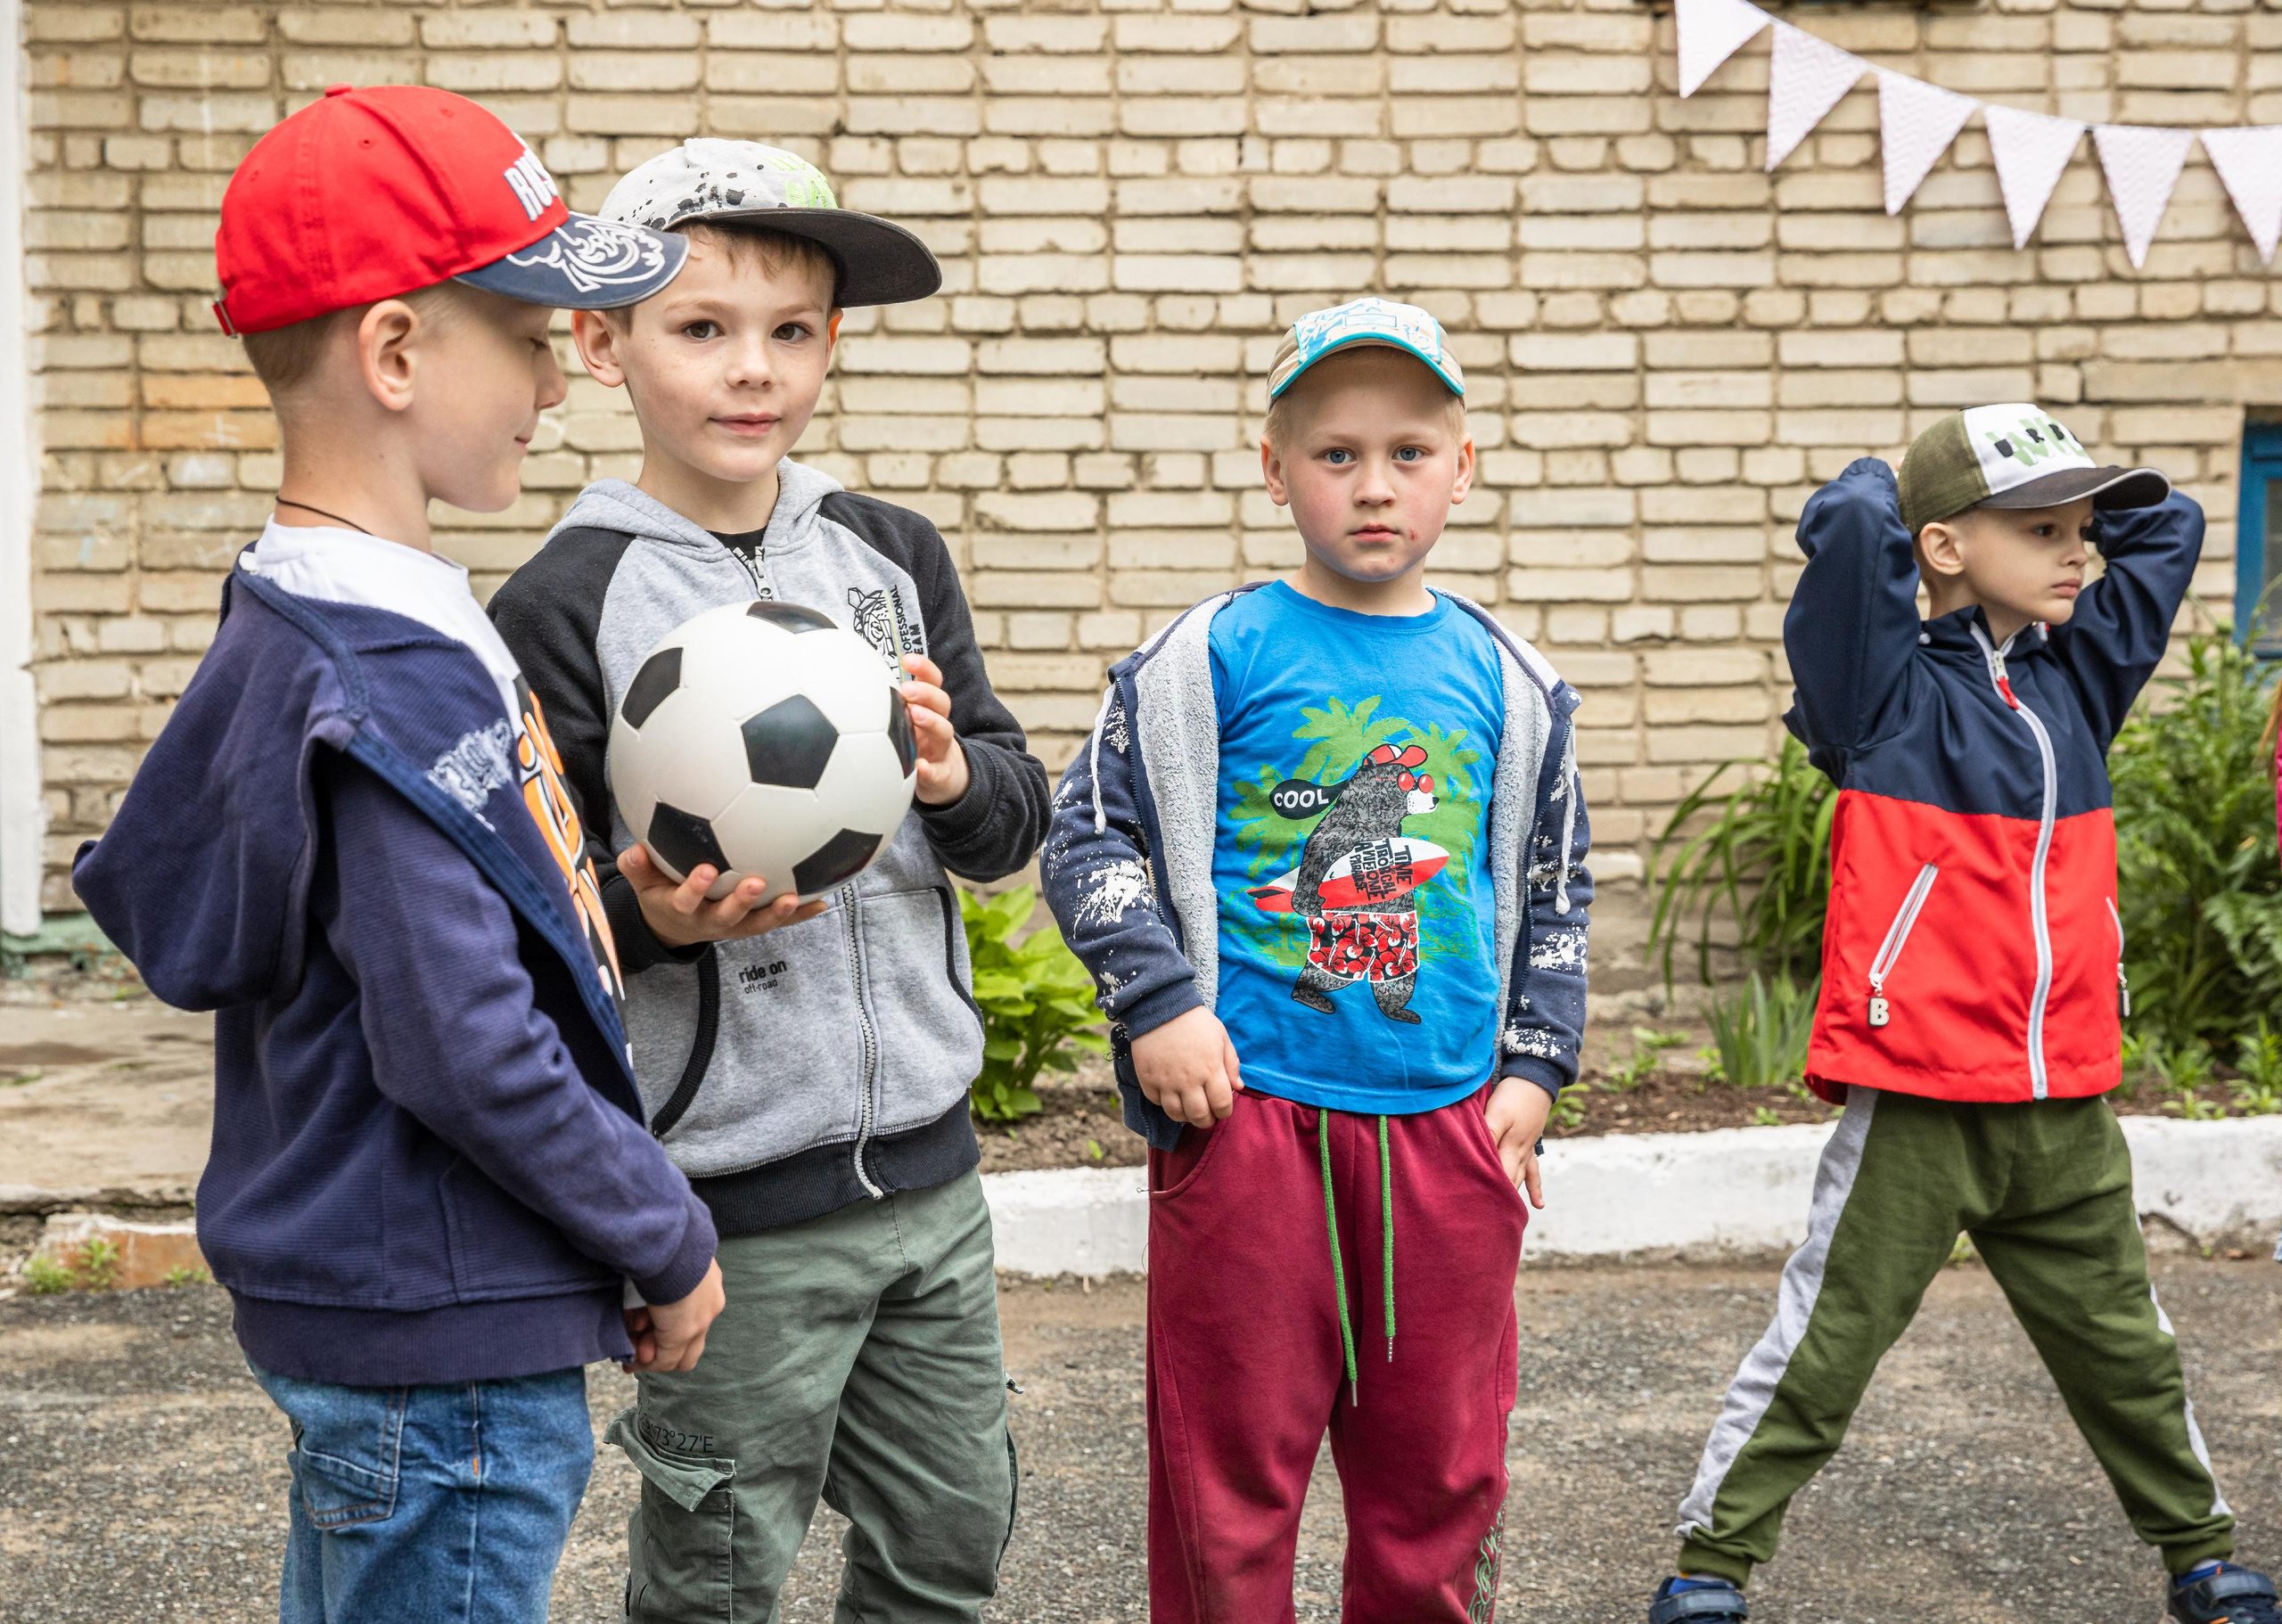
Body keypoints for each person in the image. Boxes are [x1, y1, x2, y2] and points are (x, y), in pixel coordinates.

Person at [70, 86, 731, 1624]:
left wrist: (601, 912)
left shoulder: (316, 616)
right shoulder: (390, 678)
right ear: (392, 353)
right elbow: (459, 1041)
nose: (557, 380)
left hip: (400, 1320)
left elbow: (411, 946)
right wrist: (663, 1233)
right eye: (529, 335)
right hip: (451, 1347)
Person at [487, 139, 1048, 1622]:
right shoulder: (562, 603)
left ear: (832, 343)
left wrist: (952, 780)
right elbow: (538, 925)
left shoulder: (889, 554)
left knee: (951, 1540)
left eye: (790, 331)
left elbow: (1012, 822)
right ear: (601, 344)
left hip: (931, 1178)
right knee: (721, 1568)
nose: (753, 370)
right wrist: (656, 919)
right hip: (729, 1209)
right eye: (702, 328)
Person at [1649, 406, 2279, 1624]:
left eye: (2080, 530)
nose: (2077, 553)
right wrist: (1903, 498)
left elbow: (2172, 525)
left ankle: (2203, 1557)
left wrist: (2067, 506)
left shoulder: (2076, 681)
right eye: (2041, 530)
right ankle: (1711, 1567)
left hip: (2065, 1103)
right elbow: (1850, 525)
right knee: (1822, 1350)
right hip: (1920, 1101)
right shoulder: (1878, 697)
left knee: (2130, 1353)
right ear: (1940, 545)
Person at [1039, 296, 1593, 1623]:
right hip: (1250, 1121)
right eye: (1336, 453)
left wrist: (1533, 1069)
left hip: (1449, 1128)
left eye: (1409, 452)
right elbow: (1088, 833)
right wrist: (1158, 1003)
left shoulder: (1513, 682)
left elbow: (1552, 886)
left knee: (1440, 1478)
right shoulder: (1208, 656)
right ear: (1275, 467)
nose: (1374, 485)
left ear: (1464, 466)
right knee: (1227, 1482)